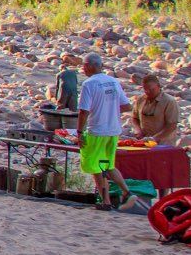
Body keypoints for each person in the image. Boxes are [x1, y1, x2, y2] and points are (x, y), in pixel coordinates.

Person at [75, 52, 132, 209]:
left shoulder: (89, 84)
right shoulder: (113, 82)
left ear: (90, 66)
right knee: (108, 165)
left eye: (84, 65)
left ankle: (106, 201)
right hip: (113, 130)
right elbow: (127, 106)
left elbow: (83, 111)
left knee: (96, 167)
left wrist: (79, 133)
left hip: (97, 130)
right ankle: (126, 192)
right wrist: (110, 109)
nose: (83, 69)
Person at [131, 72, 181, 146]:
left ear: (158, 86)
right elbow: (135, 118)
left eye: (151, 89)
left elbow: (172, 125)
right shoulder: (141, 99)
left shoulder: (169, 101)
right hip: (144, 141)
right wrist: (138, 131)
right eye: (145, 89)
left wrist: (154, 138)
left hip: (164, 144)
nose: (147, 92)